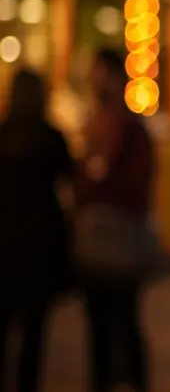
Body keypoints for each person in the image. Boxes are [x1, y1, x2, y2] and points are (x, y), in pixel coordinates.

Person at [76, 48, 156, 392]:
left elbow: (134, 182)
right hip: (99, 238)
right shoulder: (95, 125)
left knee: (123, 319)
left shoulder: (128, 129)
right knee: (100, 322)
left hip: (119, 237)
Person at [0, 69, 74, 392]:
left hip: (4, 241)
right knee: (35, 332)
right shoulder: (51, 138)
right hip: (40, 243)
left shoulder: (2, 136)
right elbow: (72, 179)